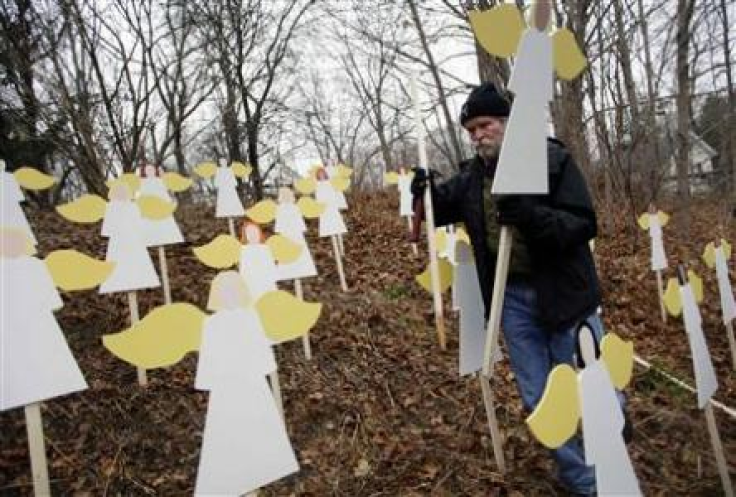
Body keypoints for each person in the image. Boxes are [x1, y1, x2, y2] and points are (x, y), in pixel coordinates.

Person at [412, 82, 625, 496]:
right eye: (471, 129)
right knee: (540, 399)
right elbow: (440, 209)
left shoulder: (552, 160)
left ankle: (614, 445)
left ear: (507, 124)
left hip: (566, 296)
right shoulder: (472, 178)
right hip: (511, 301)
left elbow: (583, 223)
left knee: (587, 388)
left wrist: (530, 216)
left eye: (485, 125)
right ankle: (582, 479)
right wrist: (423, 192)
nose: (477, 135)